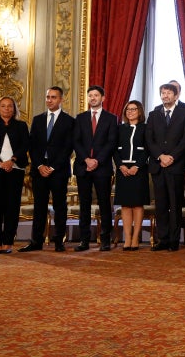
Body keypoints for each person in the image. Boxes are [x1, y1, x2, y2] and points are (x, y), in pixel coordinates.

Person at [20, 86, 75, 253]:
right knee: (39, 206)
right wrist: (39, 165)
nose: (49, 100)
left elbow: (68, 147)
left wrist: (52, 166)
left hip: (58, 170)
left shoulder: (69, 121)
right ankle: (36, 241)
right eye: (48, 97)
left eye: (53, 97)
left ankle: (59, 241)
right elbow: (32, 145)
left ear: (61, 100)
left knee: (60, 206)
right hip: (39, 170)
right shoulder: (37, 120)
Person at [145, 83, 185, 251]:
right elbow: (149, 139)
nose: (165, 96)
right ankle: (162, 239)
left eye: (168, 93)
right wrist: (160, 156)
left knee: (175, 204)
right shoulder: (153, 114)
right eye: (162, 93)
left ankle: (174, 240)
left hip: (176, 166)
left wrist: (172, 156)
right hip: (158, 166)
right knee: (161, 205)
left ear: (176, 96)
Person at [73, 85, 118, 252]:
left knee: (105, 203)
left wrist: (97, 161)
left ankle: (105, 239)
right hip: (83, 167)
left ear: (103, 98)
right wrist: (86, 159)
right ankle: (84, 240)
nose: (93, 98)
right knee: (84, 204)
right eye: (90, 95)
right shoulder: (80, 118)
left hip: (102, 167)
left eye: (96, 95)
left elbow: (111, 142)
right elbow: (76, 141)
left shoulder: (111, 118)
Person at [0, 97, 29, 254]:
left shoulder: (22, 126)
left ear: (14, 109)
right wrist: (1, 163)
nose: (7, 109)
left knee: (12, 207)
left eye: (10, 106)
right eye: (3, 106)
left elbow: (25, 146)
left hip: (15, 169)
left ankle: (8, 242)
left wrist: (12, 161)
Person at [113, 100, 150, 251]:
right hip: (122, 170)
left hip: (139, 170)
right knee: (125, 205)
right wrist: (120, 165)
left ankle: (136, 238)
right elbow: (113, 148)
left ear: (140, 112)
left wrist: (137, 166)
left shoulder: (146, 128)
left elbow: (148, 149)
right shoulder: (119, 128)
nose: (130, 112)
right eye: (128, 109)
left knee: (137, 204)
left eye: (134, 109)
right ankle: (127, 237)